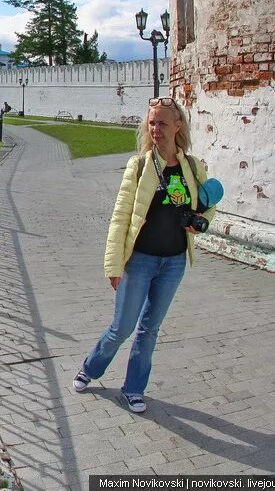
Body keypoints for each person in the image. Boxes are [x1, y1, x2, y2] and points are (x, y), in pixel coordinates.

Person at [71, 96, 215, 413]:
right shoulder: (139, 166)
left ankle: (134, 388)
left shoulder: (193, 166)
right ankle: (90, 368)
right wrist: (113, 265)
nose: (155, 129)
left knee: (149, 330)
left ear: (178, 126)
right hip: (139, 261)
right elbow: (120, 216)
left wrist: (199, 225)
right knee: (122, 327)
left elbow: (209, 203)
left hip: (174, 262)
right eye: (151, 123)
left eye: (162, 123)